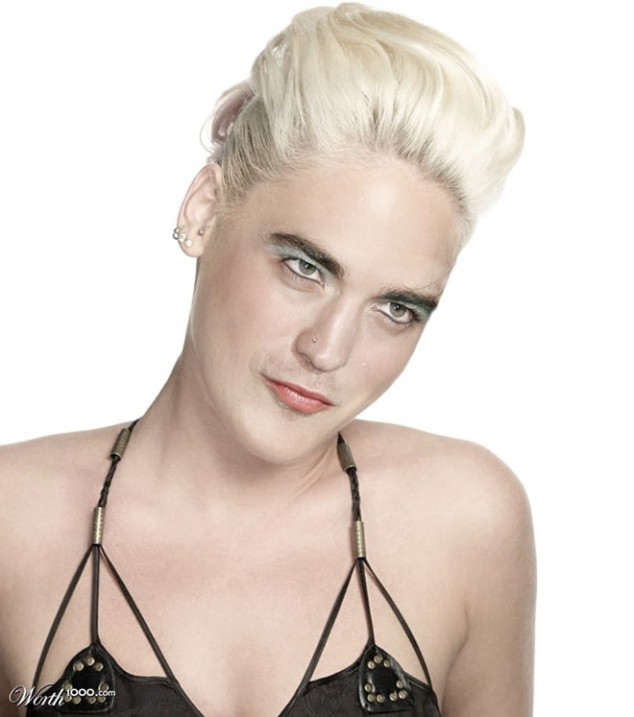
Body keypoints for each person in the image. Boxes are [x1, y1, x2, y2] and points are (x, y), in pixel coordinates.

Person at [0, 3, 535, 716]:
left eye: (396, 308)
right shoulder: (13, 522)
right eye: (304, 267)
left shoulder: (465, 520)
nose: (329, 350)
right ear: (204, 210)